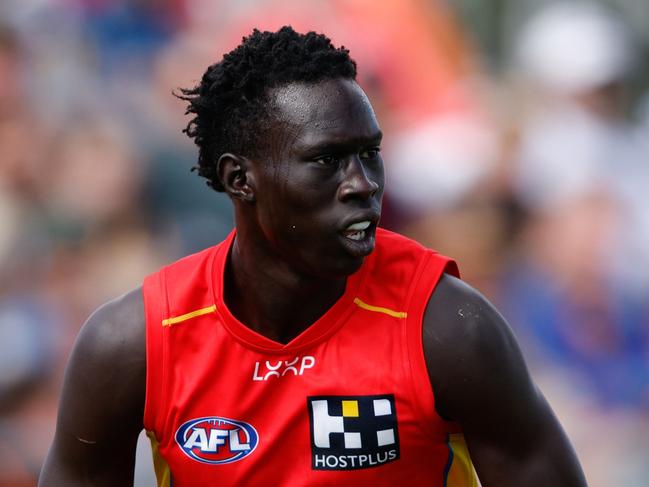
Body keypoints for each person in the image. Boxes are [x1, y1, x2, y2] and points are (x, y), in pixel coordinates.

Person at [39, 27, 586, 486]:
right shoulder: (133, 343)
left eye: (370, 153)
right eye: (327, 160)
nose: (363, 184)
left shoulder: (446, 328)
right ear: (239, 178)